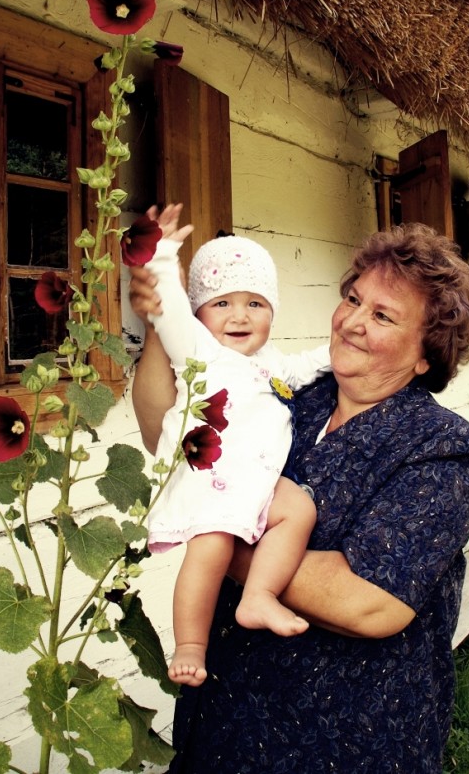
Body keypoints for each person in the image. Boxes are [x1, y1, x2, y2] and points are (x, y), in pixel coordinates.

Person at [129, 216, 469, 774]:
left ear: (426, 354)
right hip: (224, 722)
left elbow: (368, 600)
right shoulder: (288, 395)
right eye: (352, 298)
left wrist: (218, 537)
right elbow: (167, 430)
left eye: (382, 315)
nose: (351, 322)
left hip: (346, 740)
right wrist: (163, 325)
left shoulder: (442, 448)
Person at [141, 204, 331, 687]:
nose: (239, 315)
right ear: (200, 313)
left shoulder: (272, 363)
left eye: (255, 303)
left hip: (260, 485)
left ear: (272, 312)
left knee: (300, 509)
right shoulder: (199, 351)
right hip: (215, 483)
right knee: (210, 552)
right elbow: (168, 313)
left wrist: (346, 344)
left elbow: (311, 363)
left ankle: (259, 596)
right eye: (221, 303)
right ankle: (190, 643)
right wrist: (162, 255)